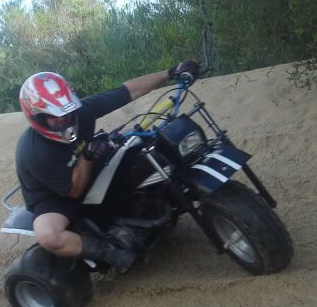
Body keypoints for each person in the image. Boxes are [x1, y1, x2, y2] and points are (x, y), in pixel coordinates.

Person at [15, 61, 199, 271]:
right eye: (54, 116)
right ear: (37, 117)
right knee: (49, 235)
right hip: (56, 195)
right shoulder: (35, 153)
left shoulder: (81, 112)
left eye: (67, 111)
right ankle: (109, 253)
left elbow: (127, 91)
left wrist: (170, 73)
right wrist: (87, 156)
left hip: (89, 160)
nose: (64, 119)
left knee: (137, 144)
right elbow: (74, 191)